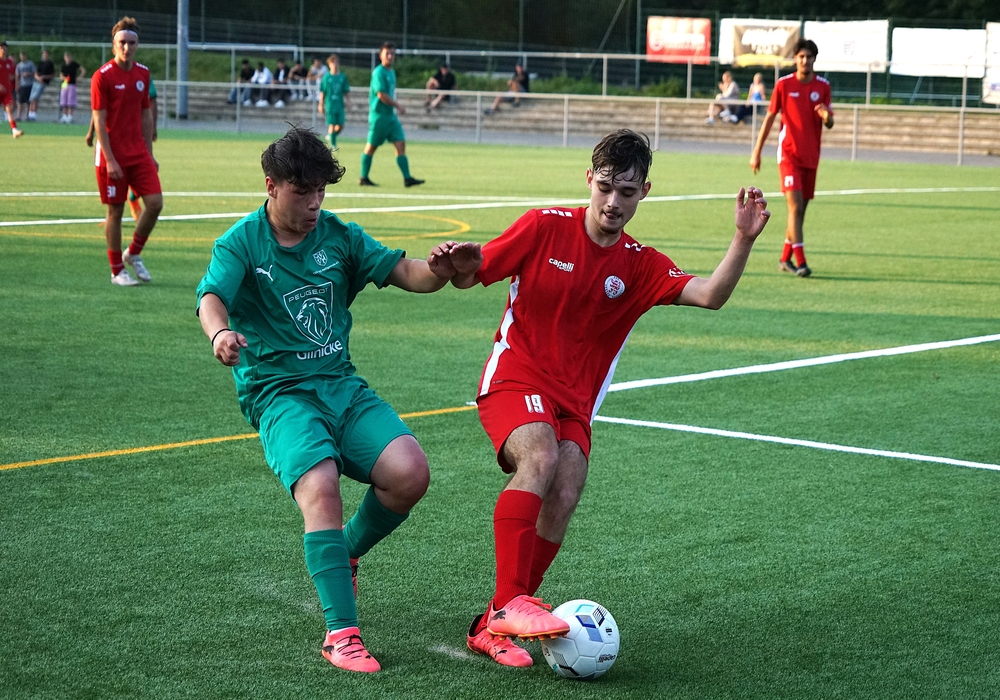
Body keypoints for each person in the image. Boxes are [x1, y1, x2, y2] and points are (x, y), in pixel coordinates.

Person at [439, 129, 770, 667]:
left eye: (627, 192)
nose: (613, 202)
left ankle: (495, 620)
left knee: (566, 489)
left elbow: (710, 295)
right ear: (589, 179)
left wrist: (744, 238)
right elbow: (467, 277)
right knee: (541, 456)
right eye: (605, 187)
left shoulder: (639, 264)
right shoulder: (544, 226)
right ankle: (510, 605)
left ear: (644, 193)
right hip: (515, 378)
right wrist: (459, 263)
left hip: (574, 400)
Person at [195, 126, 481, 673]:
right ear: (271, 185)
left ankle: (343, 551)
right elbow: (212, 297)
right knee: (321, 484)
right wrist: (220, 333)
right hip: (280, 394)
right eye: (302, 192)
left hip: (340, 386)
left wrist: (443, 269)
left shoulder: (340, 236)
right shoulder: (241, 242)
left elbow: (410, 275)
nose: (314, 203)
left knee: (410, 473)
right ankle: (341, 634)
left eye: (321, 191)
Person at [750, 39, 833, 278]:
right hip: (788, 156)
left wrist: (826, 116)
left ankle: (785, 258)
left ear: (814, 59)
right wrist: (757, 151)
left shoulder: (823, 86)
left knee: (800, 212)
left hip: (811, 158)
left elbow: (830, 122)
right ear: (795, 59)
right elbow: (769, 118)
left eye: (809, 57)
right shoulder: (784, 85)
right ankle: (802, 261)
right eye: (801, 57)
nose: (805, 61)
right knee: (795, 208)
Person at [91, 17, 163, 286]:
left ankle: (133, 253)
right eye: (122, 42)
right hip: (112, 156)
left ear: (137, 45)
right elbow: (99, 120)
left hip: (138, 153)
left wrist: (150, 153)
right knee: (116, 212)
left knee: (155, 204)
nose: (127, 47)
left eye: (132, 42)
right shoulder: (102, 76)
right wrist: (110, 159)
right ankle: (116, 271)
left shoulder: (143, 73)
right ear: (113, 45)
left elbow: (146, 114)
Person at [86, 77, 158, 223]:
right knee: (110, 172)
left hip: (135, 135)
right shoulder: (106, 76)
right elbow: (98, 110)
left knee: (145, 171)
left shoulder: (142, 75)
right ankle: (113, 213)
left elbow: (152, 102)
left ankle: (131, 197)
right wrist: (91, 131)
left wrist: (153, 127)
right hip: (112, 137)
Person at [359, 42, 423, 188]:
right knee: (371, 147)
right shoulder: (378, 72)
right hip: (379, 116)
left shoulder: (391, 72)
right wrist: (397, 105)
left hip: (390, 117)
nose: (390, 56)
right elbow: (381, 94)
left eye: (392, 53)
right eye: (387, 53)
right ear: (380, 55)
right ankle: (363, 177)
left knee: (400, 143)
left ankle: (407, 178)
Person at [319, 54, 350, 149]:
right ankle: (333, 145)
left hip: (339, 104)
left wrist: (348, 101)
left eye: (336, 62)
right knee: (332, 125)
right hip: (330, 104)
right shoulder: (326, 77)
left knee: (341, 125)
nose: (335, 65)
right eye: (332, 63)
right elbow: (323, 92)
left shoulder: (342, 77)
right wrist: (321, 104)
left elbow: (346, 90)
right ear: (329, 65)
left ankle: (331, 136)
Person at [0, 41, 23, 138]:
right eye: (1, 48)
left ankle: (14, 130)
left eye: (5, 49)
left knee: (9, 109)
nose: (3, 50)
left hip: (7, 91)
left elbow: (10, 75)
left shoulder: (9, 62)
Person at [29, 49, 55, 121]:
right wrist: (38, 78)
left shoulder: (50, 64)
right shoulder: (40, 63)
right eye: (44, 54)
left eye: (46, 54)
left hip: (42, 83)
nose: (45, 55)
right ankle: (30, 113)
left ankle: (33, 114)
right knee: (31, 98)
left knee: (35, 98)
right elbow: (36, 72)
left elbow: (52, 75)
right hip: (36, 81)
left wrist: (43, 77)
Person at [59, 51, 84, 123]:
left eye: (68, 57)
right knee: (64, 101)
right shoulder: (63, 65)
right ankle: (64, 116)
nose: (67, 58)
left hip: (72, 84)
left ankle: (70, 116)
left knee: (70, 101)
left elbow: (83, 70)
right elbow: (61, 74)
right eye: (66, 57)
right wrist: (63, 78)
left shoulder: (74, 64)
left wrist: (79, 77)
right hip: (65, 84)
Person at [15, 51, 35, 122]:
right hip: (22, 85)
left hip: (29, 84)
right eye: (21, 56)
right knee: (20, 101)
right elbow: (17, 75)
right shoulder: (19, 65)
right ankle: (19, 116)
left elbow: (34, 73)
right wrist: (17, 85)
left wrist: (28, 74)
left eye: (23, 56)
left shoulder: (30, 64)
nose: (22, 57)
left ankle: (27, 116)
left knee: (28, 102)